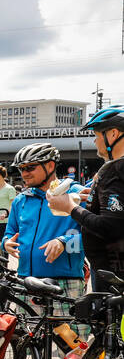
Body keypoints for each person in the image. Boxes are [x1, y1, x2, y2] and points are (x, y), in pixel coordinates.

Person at [4, 144, 86, 332]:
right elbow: (10, 233)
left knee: (72, 350)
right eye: (21, 169)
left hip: (65, 282)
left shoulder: (76, 194)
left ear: (50, 166)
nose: (24, 173)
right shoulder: (20, 200)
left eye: (30, 167)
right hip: (27, 281)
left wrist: (63, 242)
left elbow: (96, 233)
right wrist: (7, 243)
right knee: (32, 347)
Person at [50, 106, 124, 289]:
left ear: (113, 134)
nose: (95, 141)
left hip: (114, 277)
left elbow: (111, 227)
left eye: (97, 135)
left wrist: (70, 208)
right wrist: (92, 199)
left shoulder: (115, 170)